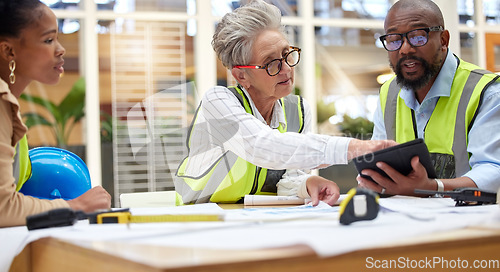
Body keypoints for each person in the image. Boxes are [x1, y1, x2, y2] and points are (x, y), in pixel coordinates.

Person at [175, 0, 395, 206]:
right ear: (242, 76)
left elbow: (287, 179)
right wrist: (354, 147)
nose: (287, 69)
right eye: (271, 63)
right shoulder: (218, 102)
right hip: (198, 215)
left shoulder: (297, 110)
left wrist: (306, 184)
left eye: (287, 54)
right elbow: (263, 146)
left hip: (250, 216)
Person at [358, 0, 500, 196]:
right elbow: (378, 160)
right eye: (394, 39)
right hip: (406, 219)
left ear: (443, 39)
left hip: (468, 220)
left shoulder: (486, 91)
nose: (405, 49)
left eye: (417, 37)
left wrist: (433, 187)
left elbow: (493, 170)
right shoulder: (389, 93)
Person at [0, 0, 111, 228]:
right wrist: (75, 205)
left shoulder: (9, 103)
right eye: (48, 40)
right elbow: (3, 208)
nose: (61, 49)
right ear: (9, 50)